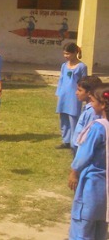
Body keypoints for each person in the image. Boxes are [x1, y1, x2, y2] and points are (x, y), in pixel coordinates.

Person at [68, 84, 109, 240]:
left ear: (103, 104)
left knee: (83, 226)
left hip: (92, 184)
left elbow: (85, 153)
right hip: (106, 189)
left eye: (93, 101)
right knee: (101, 227)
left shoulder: (98, 128)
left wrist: (74, 172)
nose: (91, 104)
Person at [55, 42, 88, 149]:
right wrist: (59, 92)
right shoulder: (64, 66)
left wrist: (84, 95)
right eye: (64, 54)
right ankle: (66, 141)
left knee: (73, 118)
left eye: (68, 54)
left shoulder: (81, 66)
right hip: (64, 95)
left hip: (74, 96)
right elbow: (61, 79)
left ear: (74, 53)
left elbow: (84, 82)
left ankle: (75, 142)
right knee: (63, 117)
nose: (66, 56)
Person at [71, 75, 102, 156]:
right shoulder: (87, 109)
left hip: (82, 151)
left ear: (89, 93)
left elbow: (88, 137)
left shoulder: (92, 112)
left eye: (79, 90)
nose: (76, 93)